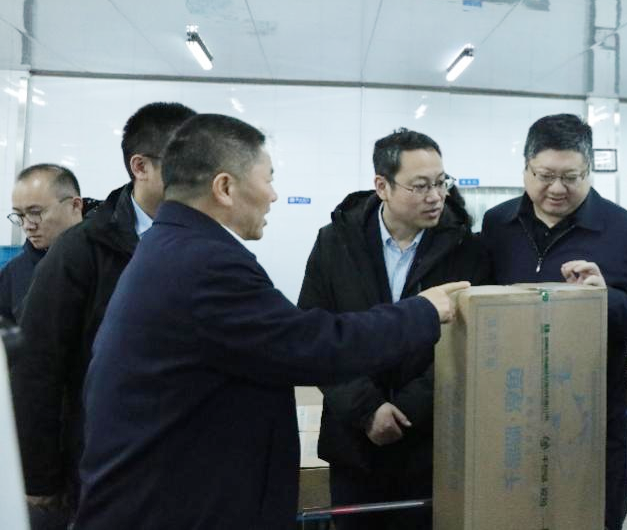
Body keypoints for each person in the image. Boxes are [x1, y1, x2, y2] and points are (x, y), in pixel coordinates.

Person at [74, 114, 466, 530]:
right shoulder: (205, 264)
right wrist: (422, 312)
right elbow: (311, 345)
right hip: (173, 506)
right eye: (268, 180)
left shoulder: (173, 246)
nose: (274, 196)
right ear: (225, 188)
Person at [481, 113, 627, 530]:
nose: (556, 188)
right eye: (545, 175)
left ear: (589, 170)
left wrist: (605, 299)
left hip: (590, 424)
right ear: (526, 167)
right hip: (511, 415)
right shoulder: (498, 224)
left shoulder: (624, 230)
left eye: (571, 177)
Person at [11, 102, 196, 526]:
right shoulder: (82, 251)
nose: (199, 176)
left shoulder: (204, 242)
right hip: (104, 467)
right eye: (187, 163)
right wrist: (40, 476)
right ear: (141, 166)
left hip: (184, 463)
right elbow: (38, 368)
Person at [298, 128, 490, 529]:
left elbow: (472, 342)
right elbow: (314, 333)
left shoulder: (466, 249)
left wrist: (406, 409)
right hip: (353, 443)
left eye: (441, 182)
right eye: (420, 186)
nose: (435, 196)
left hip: (431, 444)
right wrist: (366, 409)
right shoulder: (336, 242)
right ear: (382, 186)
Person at [1, 165, 85, 325]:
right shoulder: (13, 273)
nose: (27, 225)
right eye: (19, 215)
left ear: (75, 205)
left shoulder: (109, 259)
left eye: (35, 213)